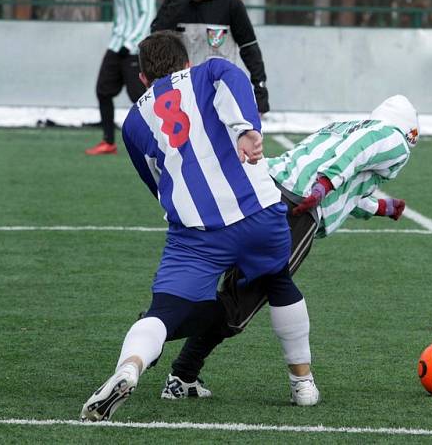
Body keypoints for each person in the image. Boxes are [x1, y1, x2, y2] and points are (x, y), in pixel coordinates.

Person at [80, 31, 318, 422]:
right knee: (278, 280)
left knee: (164, 310)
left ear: (142, 79)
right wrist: (246, 129)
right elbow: (235, 79)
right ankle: (303, 385)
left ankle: (130, 368)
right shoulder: (210, 71)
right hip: (257, 214)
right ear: (186, 62)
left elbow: (155, 181)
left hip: (196, 233)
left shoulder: (135, 120)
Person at [157, 95, 419, 400]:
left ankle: (182, 373)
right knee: (239, 307)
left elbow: (347, 183)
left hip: (258, 187)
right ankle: (159, 327)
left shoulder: (341, 127)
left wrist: (379, 208)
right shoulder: (394, 138)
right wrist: (325, 184)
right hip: (292, 207)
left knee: (229, 290)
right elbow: (353, 158)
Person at [150, 0, 270, 114]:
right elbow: (156, 35)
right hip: (184, 93)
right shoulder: (174, 3)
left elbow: (250, 49)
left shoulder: (230, 3)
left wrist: (260, 92)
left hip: (220, 92)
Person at [85, 0, 157, 156]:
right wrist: (117, 37)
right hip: (117, 44)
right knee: (102, 89)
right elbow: (120, 14)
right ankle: (108, 141)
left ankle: (157, 140)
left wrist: (133, 42)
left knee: (140, 96)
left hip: (135, 47)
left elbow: (148, 15)